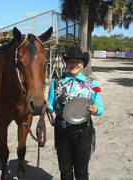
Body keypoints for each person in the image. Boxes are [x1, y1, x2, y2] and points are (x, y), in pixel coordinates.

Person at [47, 46, 104, 180]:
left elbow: (100, 108)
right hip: (62, 132)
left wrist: (96, 110)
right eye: (71, 61)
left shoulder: (92, 84)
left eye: (77, 62)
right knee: (65, 170)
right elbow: (52, 105)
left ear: (83, 64)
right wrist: (45, 107)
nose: (74, 65)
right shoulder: (56, 82)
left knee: (81, 171)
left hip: (83, 132)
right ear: (66, 63)